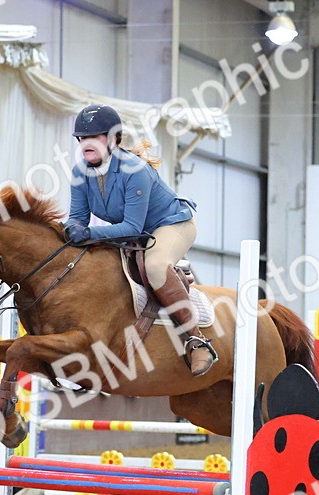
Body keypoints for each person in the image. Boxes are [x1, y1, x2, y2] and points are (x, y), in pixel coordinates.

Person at [62, 104, 216, 377]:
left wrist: (88, 234)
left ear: (113, 140)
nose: (86, 143)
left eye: (94, 137)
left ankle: (196, 341)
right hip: (136, 233)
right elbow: (77, 218)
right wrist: (70, 230)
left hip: (171, 225)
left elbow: (131, 227)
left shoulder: (135, 170)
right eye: (82, 138)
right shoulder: (79, 173)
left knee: (156, 267)